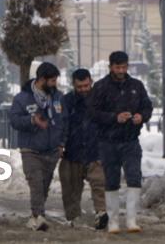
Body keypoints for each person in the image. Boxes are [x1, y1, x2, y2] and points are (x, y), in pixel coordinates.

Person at [88, 51, 153, 234]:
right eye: (118, 67)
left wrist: (142, 116)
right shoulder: (101, 87)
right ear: (110, 67)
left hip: (131, 140)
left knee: (134, 177)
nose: (121, 70)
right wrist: (114, 118)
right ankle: (114, 221)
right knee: (111, 180)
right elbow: (93, 113)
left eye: (124, 67)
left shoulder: (136, 86)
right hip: (108, 141)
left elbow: (147, 106)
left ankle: (132, 220)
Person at [10, 61, 67, 232]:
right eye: (52, 81)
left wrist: (61, 143)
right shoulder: (22, 98)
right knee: (35, 183)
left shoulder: (58, 98)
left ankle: (36, 214)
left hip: (51, 150)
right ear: (42, 79)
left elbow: (65, 122)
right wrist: (31, 120)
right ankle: (38, 216)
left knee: (44, 184)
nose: (54, 84)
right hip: (30, 149)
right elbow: (14, 121)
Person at [59, 68, 108, 230]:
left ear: (91, 82)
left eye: (86, 86)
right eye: (80, 87)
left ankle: (101, 213)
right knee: (71, 190)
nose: (83, 90)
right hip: (72, 152)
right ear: (73, 85)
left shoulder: (101, 101)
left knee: (99, 184)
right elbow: (61, 125)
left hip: (96, 151)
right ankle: (73, 218)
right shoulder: (66, 102)